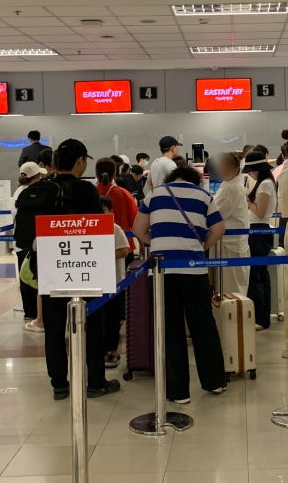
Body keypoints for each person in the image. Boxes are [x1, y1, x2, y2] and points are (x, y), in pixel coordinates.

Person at [133, 166, 228, 403]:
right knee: (203, 325)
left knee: (170, 330)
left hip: (163, 270)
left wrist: (156, 244)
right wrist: (203, 246)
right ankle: (214, 381)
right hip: (194, 269)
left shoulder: (154, 195)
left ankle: (178, 392)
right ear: (195, 180)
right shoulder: (203, 196)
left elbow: (138, 229)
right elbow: (219, 228)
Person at [41, 139, 120, 400]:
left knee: (54, 330)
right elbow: (96, 229)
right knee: (92, 325)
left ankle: (59, 385)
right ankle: (95, 382)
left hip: (51, 268)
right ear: (80, 161)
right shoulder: (86, 190)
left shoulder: (44, 189)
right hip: (85, 268)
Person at [243, 151, 277, 330]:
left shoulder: (264, 185)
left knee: (256, 275)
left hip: (258, 231)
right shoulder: (267, 183)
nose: (250, 174)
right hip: (260, 231)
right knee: (260, 275)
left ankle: (260, 318)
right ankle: (262, 317)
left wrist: (248, 201)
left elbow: (260, 212)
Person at [12, 161, 48, 329]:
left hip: (22, 243)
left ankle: (29, 312)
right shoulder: (43, 192)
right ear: (37, 175)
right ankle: (40, 314)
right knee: (37, 278)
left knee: (25, 277)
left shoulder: (19, 192)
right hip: (39, 242)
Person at [98, 195, 130, 369]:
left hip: (114, 282)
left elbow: (124, 250)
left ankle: (112, 350)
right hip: (96, 282)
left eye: (103, 210)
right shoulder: (91, 228)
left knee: (112, 318)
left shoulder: (115, 229)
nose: (100, 214)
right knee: (98, 318)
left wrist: (103, 254)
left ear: (111, 211)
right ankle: (99, 350)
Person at [212, 152, 250, 296]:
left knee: (231, 290)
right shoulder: (230, 184)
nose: (222, 170)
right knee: (229, 287)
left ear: (235, 169)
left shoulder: (231, 187)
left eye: (225, 167)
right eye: (221, 166)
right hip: (231, 244)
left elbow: (217, 214)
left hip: (230, 245)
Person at [95, 158, 138, 261]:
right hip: (123, 245)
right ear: (115, 174)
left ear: (96, 174)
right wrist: (141, 243)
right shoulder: (123, 193)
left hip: (97, 246)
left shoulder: (91, 193)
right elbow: (135, 221)